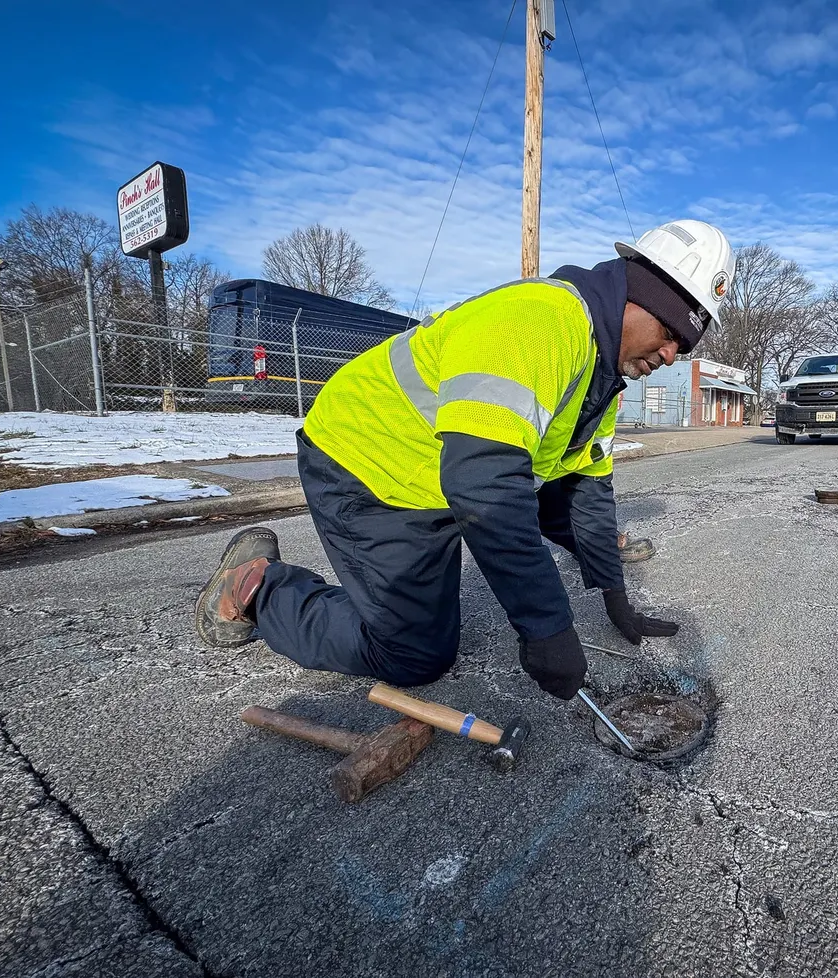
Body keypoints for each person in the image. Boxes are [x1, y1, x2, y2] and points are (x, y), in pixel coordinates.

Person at [195, 220, 734, 701]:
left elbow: (584, 495)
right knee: (414, 655)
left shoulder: (603, 377)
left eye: (683, 348)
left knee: (529, 516)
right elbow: (486, 488)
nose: (669, 356)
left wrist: (614, 595)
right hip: (367, 463)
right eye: (670, 333)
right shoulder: (540, 322)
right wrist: (546, 628)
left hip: (438, 476)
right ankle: (258, 588)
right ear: (636, 297)